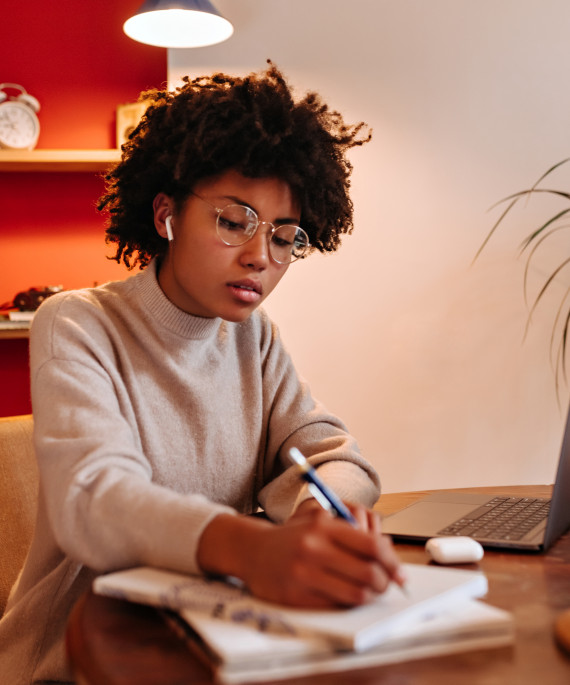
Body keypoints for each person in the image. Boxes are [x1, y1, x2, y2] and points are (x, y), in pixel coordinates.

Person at [0, 62, 404, 683]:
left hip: (217, 638)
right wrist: (254, 548)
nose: (259, 257)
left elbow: (334, 455)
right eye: (233, 220)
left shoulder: (254, 338)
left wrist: (317, 519)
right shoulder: (79, 324)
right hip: (80, 653)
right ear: (166, 214)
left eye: (284, 236)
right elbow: (95, 500)